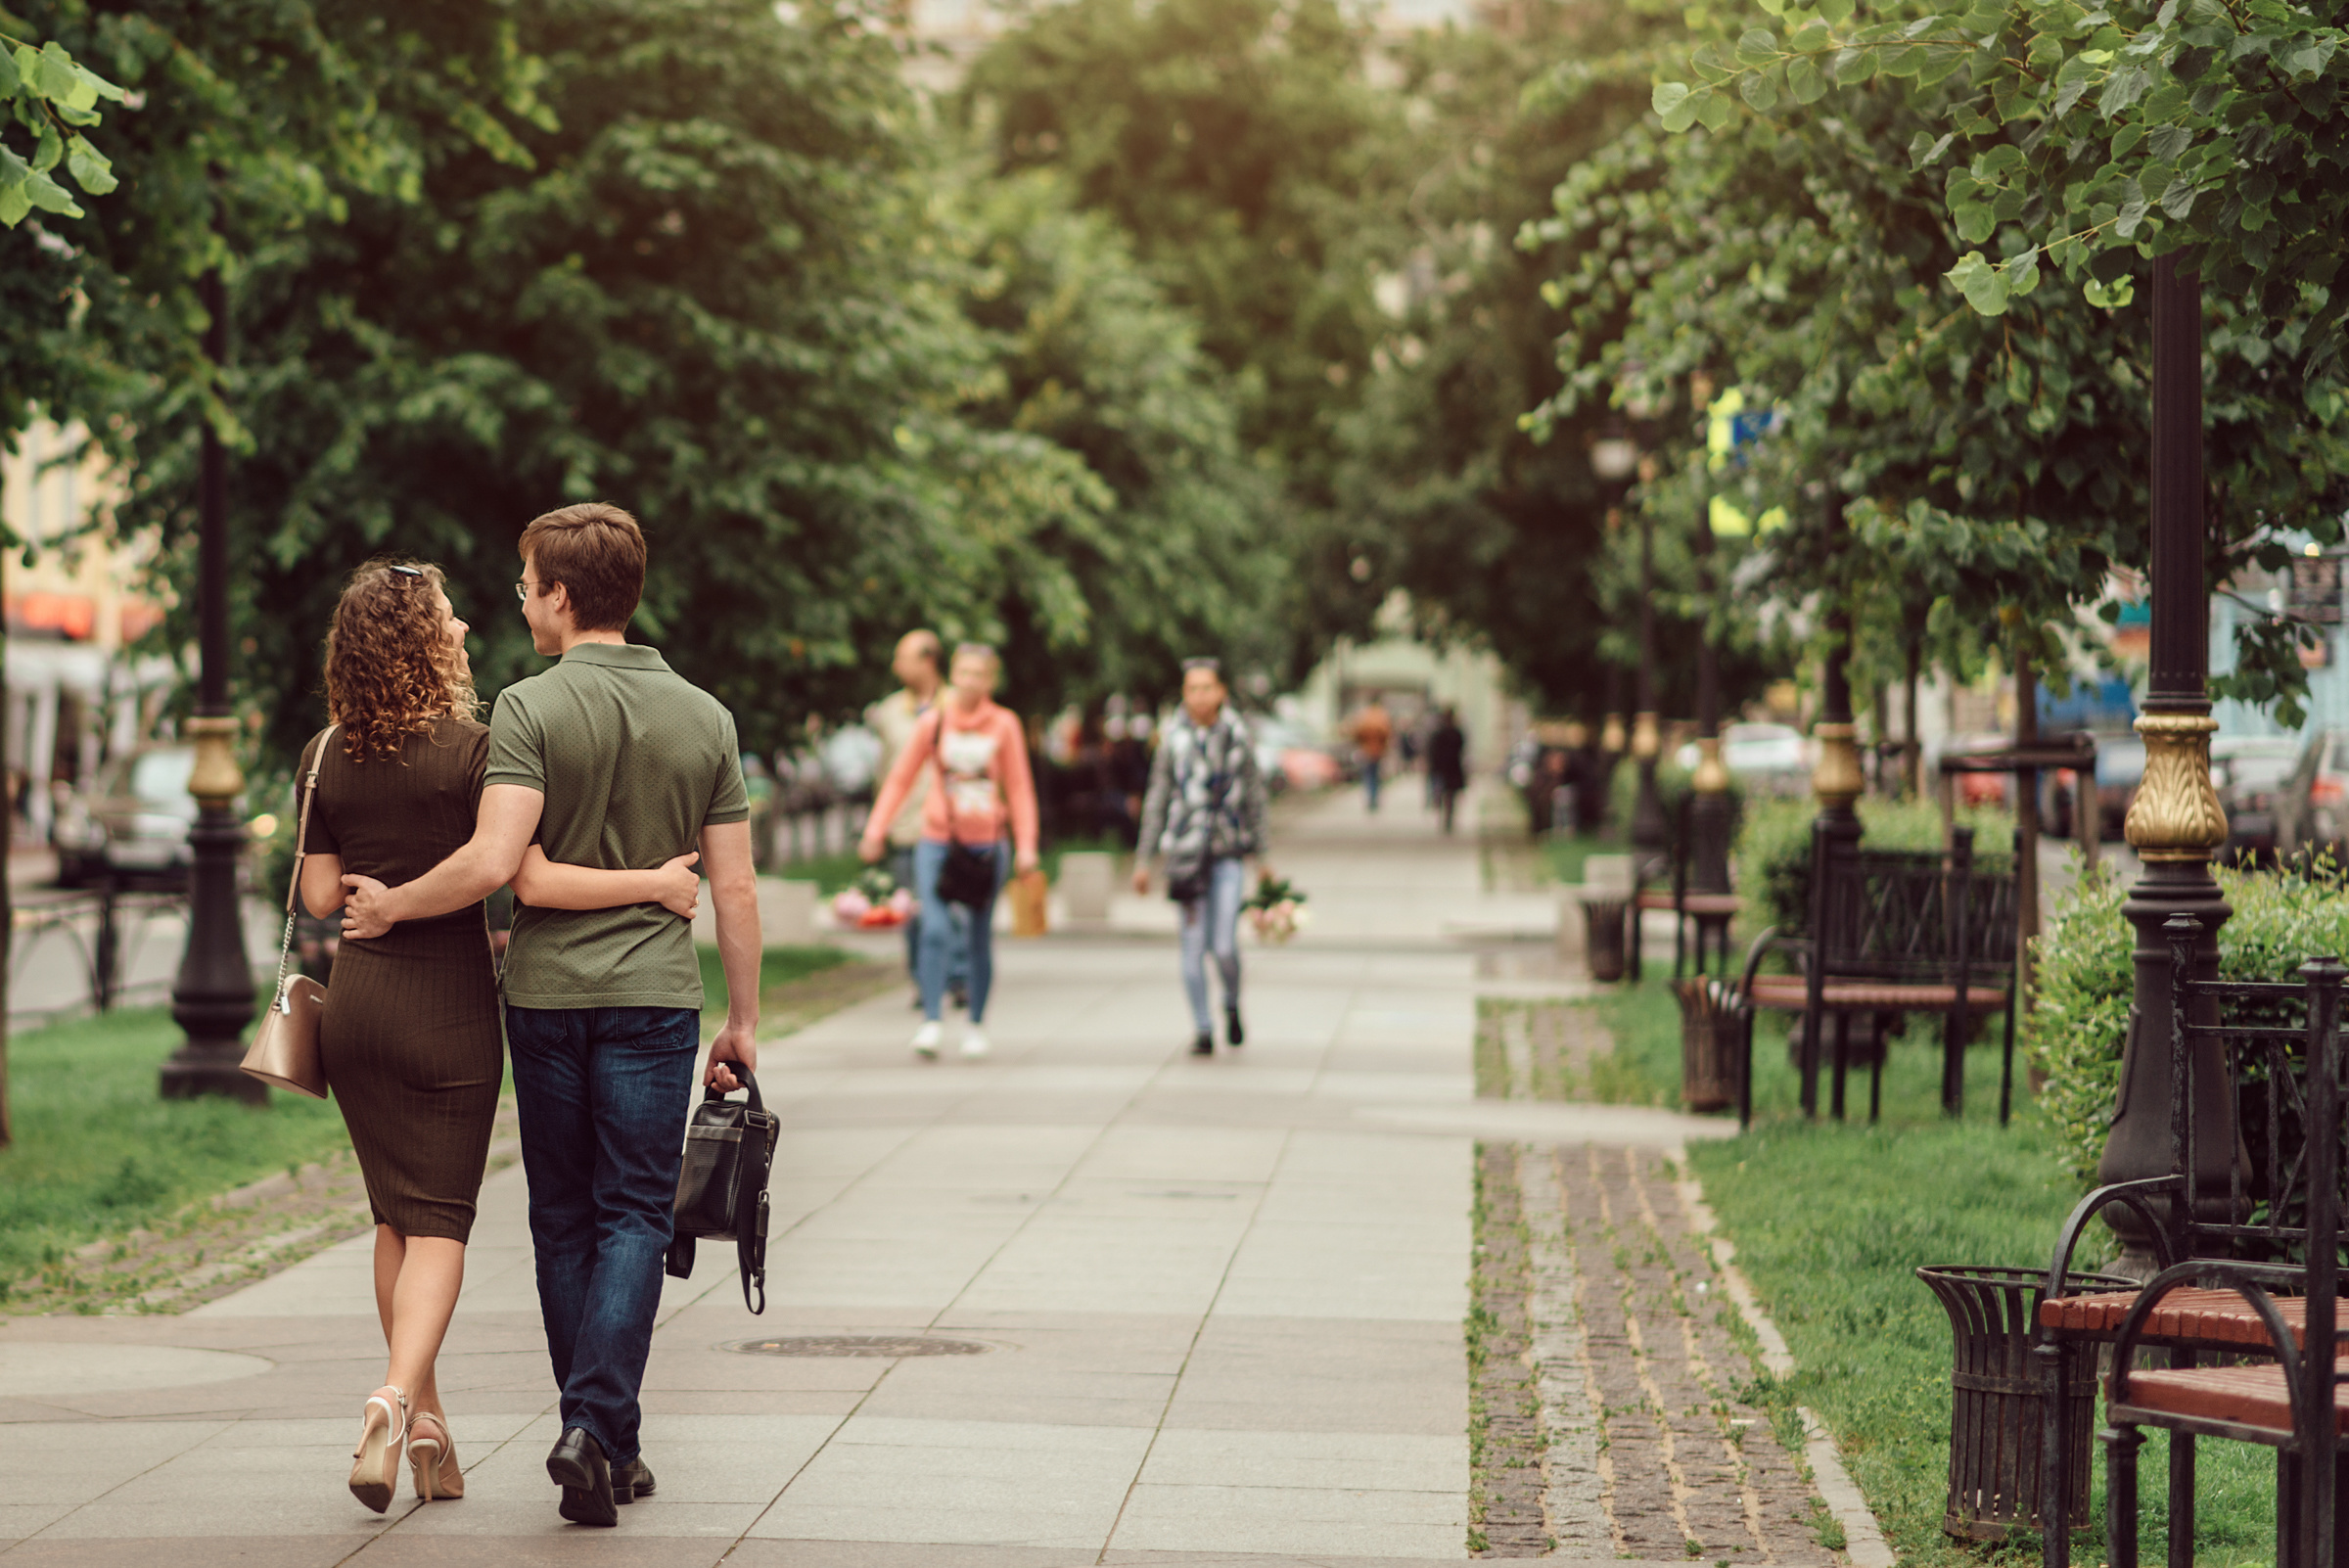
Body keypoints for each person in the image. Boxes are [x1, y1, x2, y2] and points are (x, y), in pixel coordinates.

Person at [341, 504, 761, 1529]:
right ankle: (598, 1431)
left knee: (563, 1216)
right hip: (655, 1002)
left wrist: (394, 904)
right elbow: (737, 892)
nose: (519, 601)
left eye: (526, 583)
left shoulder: (527, 710)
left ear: (563, 596)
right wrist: (743, 1019)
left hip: (545, 998)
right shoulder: (705, 715)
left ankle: (600, 1433)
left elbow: (511, 870)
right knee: (634, 1212)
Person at [857, 642, 1038, 1060]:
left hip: (988, 844)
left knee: (978, 935)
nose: (970, 681)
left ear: (991, 680)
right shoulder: (934, 722)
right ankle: (932, 1021)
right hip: (938, 840)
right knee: (934, 928)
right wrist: (875, 829)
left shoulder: (1004, 724)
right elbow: (900, 779)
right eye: (964, 672)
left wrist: (1027, 845)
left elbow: (1020, 787)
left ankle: (975, 1024)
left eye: (980, 674)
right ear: (952, 674)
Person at [1133, 659, 1269, 1055]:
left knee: (1224, 945)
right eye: (1192, 688)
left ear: (1221, 691)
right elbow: (1157, 798)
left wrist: (1263, 855)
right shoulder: (1171, 738)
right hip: (1186, 855)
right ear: (1184, 693)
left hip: (1228, 853)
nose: (1200, 696)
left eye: (1207, 688)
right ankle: (1203, 1028)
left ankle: (1230, 1001)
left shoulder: (1238, 737)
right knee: (1192, 945)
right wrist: (1144, 859)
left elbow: (1256, 797)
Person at [864, 630, 967, 1006]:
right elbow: (885, 775)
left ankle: (957, 978)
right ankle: (924, 982)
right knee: (911, 911)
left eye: (903, 658)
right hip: (906, 828)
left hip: (951, 828)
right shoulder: (889, 712)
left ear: (928, 661)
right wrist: (877, 827)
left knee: (950, 908)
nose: (896, 666)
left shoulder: (957, 705)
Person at [1428, 706, 1468, 835]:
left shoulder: (1439, 733)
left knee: (1444, 794)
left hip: (1443, 769)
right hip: (1453, 768)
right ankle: (1448, 818)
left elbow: (1433, 752)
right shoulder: (1456, 732)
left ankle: (1446, 817)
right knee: (1450, 795)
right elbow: (1462, 749)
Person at [1351, 696, 1394, 812]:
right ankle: (1374, 798)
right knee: (1375, 775)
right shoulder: (1382, 715)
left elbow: (1356, 732)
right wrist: (1384, 746)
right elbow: (1387, 733)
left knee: (1368, 775)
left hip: (1366, 750)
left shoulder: (1364, 716)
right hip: (1378, 751)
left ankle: (1370, 797)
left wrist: (1361, 743)